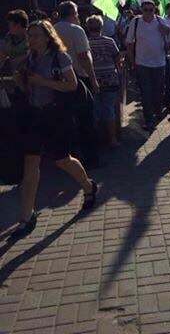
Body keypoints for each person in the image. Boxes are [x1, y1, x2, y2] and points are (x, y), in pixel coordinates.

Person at [11, 20, 97, 238]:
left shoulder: (60, 57)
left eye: (36, 35)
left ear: (48, 36)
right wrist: (20, 81)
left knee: (62, 159)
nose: (32, 40)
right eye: (30, 36)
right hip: (34, 116)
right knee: (30, 163)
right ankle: (27, 216)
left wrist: (43, 81)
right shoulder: (30, 59)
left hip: (56, 116)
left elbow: (72, 85)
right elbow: (28, 89)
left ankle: (88, 186)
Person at [55, 1, 100, 168]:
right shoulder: (76, 30)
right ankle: (91, 159)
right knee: (86, 119)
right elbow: (83, 56)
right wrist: (93, 79)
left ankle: (70, 157)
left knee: (67, 120)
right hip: (79, 78)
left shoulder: (52, 29)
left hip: (58, 81)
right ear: (73, 13)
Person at [126, 0, 170, 131]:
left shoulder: (161, 21)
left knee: (158, 91)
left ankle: (157, 111)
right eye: (146, 9)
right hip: (142, 63)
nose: (149, 12)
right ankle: (149, 119)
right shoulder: (136, 22)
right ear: (141, 10)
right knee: (145, 92)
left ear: (155, 10)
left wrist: (167, 31)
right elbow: (129, 43)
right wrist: (132, 60)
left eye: (151, 10)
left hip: (159, 63)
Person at [86, 15, 122, 147]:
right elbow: (117, 59)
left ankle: (97, 139)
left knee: (95, 110)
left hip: (93, 79)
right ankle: (112, 139)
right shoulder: (109, 41)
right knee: (109, 109)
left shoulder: (86, 42)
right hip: (110, 79)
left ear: (88, 27)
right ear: (101, 27)